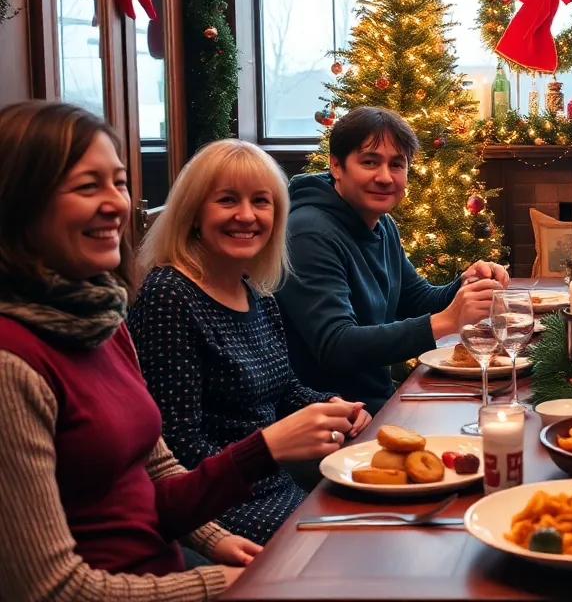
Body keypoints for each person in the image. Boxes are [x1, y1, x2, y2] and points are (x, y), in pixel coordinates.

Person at [0, 101, 343, 600]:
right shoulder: (14, 364)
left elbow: (154, 468)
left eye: (119, 183)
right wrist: (211, 581)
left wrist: (216, 539)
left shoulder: (101, 323)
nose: (117, 203)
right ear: (19, 204)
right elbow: (53, 589)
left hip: (185, 550)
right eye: (86, 186)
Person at [129, 139, 372, 546]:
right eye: (227, 200)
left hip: (272, 483)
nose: (246, 215)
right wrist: (269, 448)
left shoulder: (257, 293)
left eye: (261, 202)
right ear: (193, 213)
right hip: (219, 506)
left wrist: (331, 405)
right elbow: (176, 447)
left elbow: (284, 391)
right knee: (353, 548)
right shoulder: (170, 295)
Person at [277, 106, 508, 413]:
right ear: (336, 166)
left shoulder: (381, 223)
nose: (385, 178)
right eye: (370, 162)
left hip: (377, 403)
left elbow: (416, 298)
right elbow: (336, 346)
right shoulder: (308, 233)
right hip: (331, 417)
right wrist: (446, 321)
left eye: (397, 165)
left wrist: (465, 284)